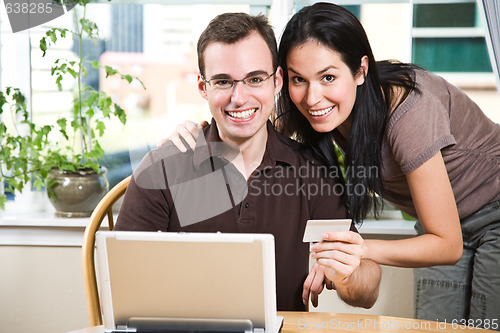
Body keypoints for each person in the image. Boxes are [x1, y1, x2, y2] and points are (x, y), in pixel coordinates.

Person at [169, 2, 499, 327]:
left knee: (487, 324)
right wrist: (196, 133)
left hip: (492, 212)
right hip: (441, 223)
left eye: (328, 77)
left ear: (360, 70)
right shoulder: (304, 111)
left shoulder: (409, 112)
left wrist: (354, 251)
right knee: (436, 326)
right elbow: (245, 122)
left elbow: (447, 244)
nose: (313, 98)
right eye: (299, 79)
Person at [114, 12, 381, 312]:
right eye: (223, 81)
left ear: (277, 81)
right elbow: (122, 286)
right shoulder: (162, 170)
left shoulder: (312, 172)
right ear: (204, 88)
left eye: (255, 79)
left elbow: (367, 291)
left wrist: (345, 273)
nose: (239, 98)